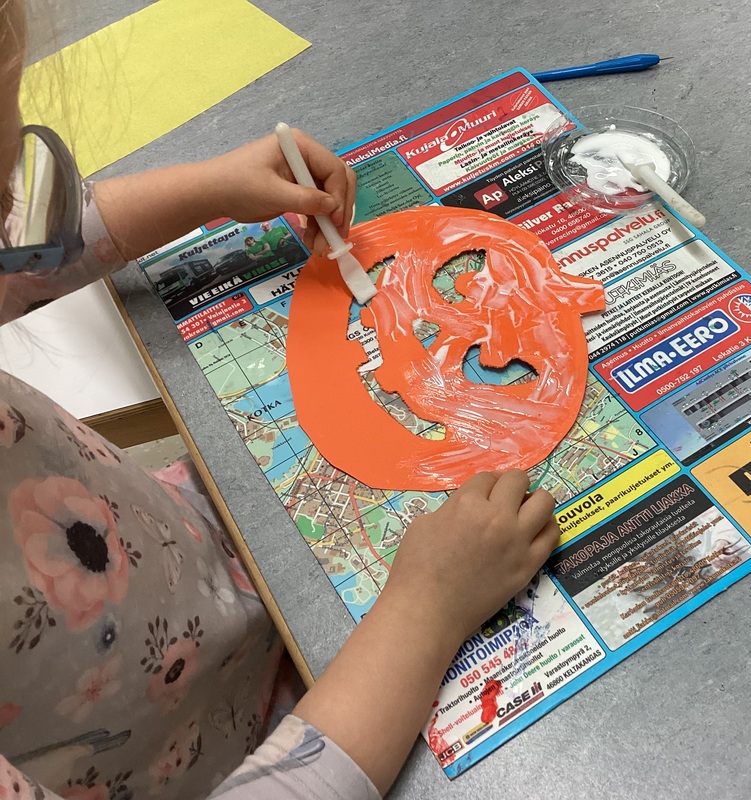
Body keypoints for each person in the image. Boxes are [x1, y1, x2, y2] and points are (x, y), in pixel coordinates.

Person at [0, 2, 560, 799]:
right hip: (220, 760)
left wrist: (207, 188)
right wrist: (428, 609)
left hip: (193, 568)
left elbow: (20, 254)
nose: (13, 212)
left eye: (9, 182)